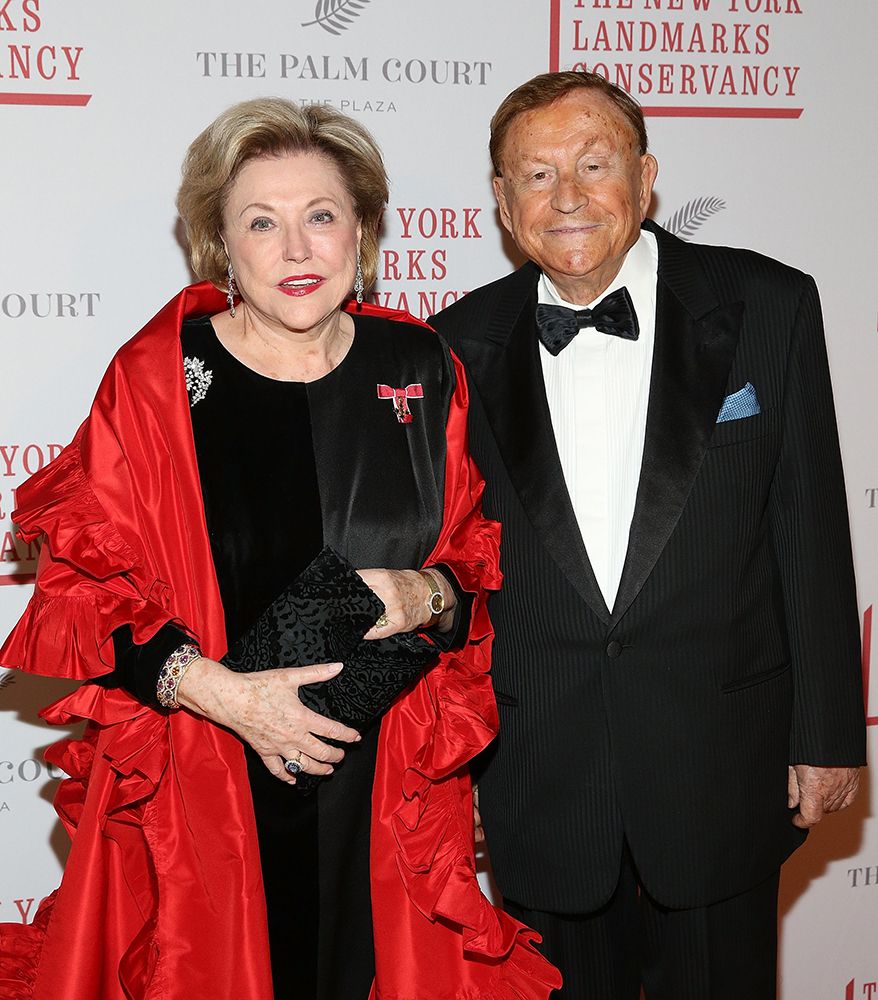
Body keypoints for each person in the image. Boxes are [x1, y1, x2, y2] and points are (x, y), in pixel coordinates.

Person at [0, 98, 560, 1000]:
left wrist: (425, 595)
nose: (297, 251)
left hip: (381, 789)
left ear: (363, 233)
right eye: (262, 222)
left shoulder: (421, 366)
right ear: (220, 242)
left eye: (321, 217)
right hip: (210, 779)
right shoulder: (159, 379)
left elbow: (471, 571)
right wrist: (231, 699)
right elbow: (83, 592)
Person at [429, 71, 865, 1000]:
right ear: (504, 206)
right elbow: (448, 576)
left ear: (647, 174)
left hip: (721, 761)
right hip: (539, 769)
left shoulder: (768, 304)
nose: (570, 197)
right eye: (536, 177)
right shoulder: (452, 346)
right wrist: (446, 767)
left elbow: (811, 527)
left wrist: (830, 732)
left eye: (594, 164)